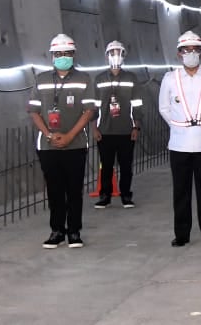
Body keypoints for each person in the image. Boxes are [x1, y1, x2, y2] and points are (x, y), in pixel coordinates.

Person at [27, 33, 97, 248]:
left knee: (74, 190)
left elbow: (89, 111)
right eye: (58, 54)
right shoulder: (41, 80)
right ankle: (57, 230)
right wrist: (49, 135)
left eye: (67, 53)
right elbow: (33, 111)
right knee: (55, 190)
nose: (63, 57)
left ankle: (74, 231)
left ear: (73, 55)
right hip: (48, 146)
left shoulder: (84, 79)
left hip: (76, 144)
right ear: (52, 56)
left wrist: (69, 136)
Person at [158, 30, 201, 247]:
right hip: (179, 145)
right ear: (179, 54)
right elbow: (164, 108)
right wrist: (179, 127)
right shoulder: (170, 78)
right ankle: (182, 234)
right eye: (186, 50)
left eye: (195, 49)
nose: (191, 53)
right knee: (181, 192)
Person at [93, 40, 143, 209]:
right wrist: (94, 128)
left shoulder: (131, 78)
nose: (115, 55)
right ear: (106, 56)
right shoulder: (99, 79)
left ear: (124, 56)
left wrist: (136, 127)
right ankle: (105, 196)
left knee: (126, 166)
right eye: (112, 52)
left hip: (126, 130)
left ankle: (126, 195)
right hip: (105, 131)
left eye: (118, 52)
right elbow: (94, 106)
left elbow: (137, 104)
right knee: (106, 166)